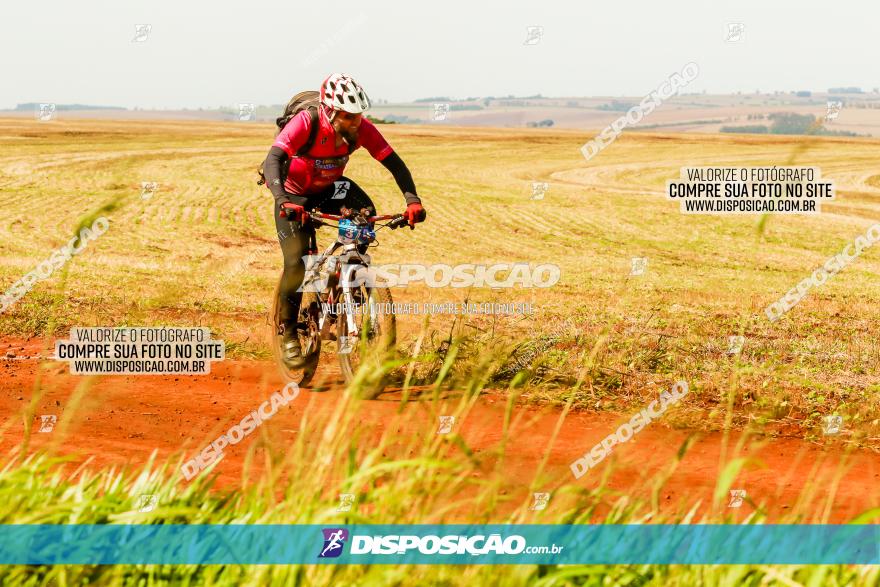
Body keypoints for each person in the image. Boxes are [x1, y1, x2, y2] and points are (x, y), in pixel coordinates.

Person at [262, 73, 426, 368]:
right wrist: (283, 200)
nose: (356, 123)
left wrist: (412, 201)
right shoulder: (307, 123)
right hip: (293, 194)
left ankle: (350, 282)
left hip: (330, 189)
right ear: (332, 112)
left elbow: (395, 164)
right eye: (349, 117)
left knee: (365, 217)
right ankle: (287, 333)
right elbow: (272, 159)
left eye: (359, 116)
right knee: (296, 263)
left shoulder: (361, 129)